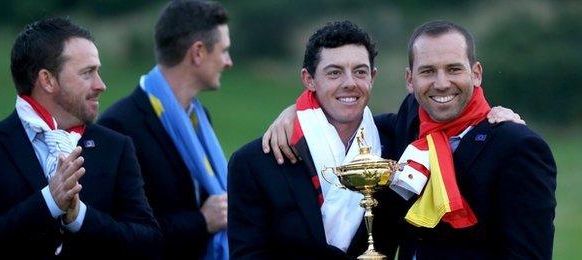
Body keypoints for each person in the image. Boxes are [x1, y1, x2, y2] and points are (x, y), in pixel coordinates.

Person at [264, 20, 556, 259]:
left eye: (453, 69)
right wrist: (297, 112)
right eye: (427, 71)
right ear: (409, 80)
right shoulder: (409, 121)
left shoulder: (517, 146)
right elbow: (349, 124)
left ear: (476, 73)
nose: (441, 83)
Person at [0, 17, 161, 258]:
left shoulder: (116, 148)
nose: (101, 85)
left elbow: (150, 244)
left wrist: (79, 217)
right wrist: (47, 204)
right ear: (48, 80)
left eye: (98, 71)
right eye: (87, 73)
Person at [228, 20, 393, 259]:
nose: (349, 83)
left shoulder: (393, 141)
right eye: (334, 73)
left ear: (373, 77)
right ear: (309, 80)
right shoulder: (254, 163)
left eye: (360, 71)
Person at [98, 1, 231, 259]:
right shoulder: (119, 127)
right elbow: (118, 233)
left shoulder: (200, 120)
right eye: (224, 51)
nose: (229, 62)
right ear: (198, 52)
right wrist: (201, 222)